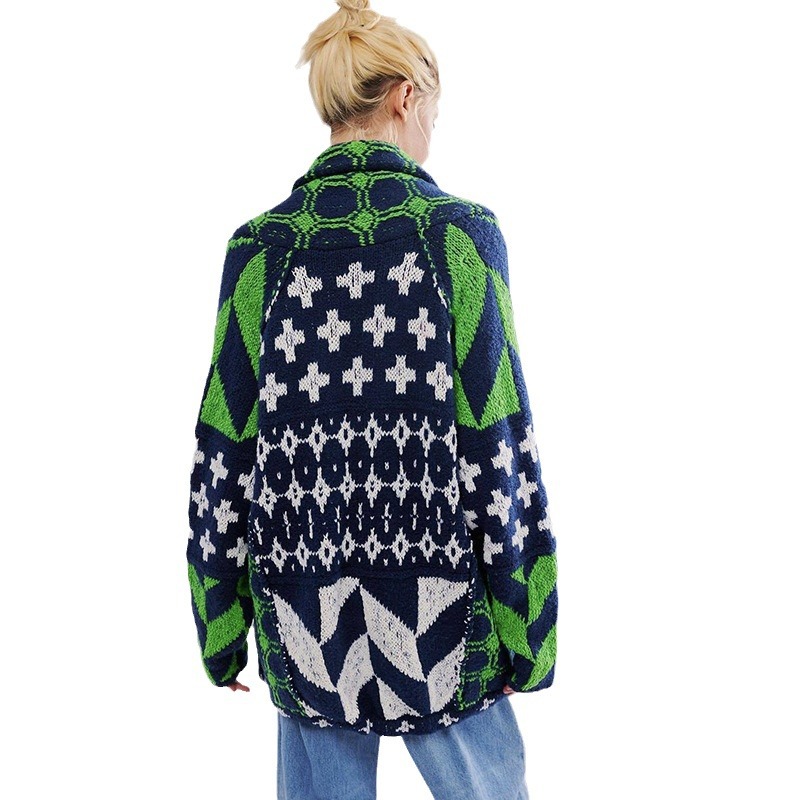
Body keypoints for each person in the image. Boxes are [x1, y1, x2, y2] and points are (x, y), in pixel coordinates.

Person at [185, 1, 558, 797]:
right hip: (444, 621)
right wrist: (529, 630)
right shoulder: (459, 237)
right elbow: (497, 439)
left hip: (303, 617)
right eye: (433, 116)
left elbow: (224, 443)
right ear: (405, 97)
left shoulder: (259, 251)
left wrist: (220, 624)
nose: (431, 136)